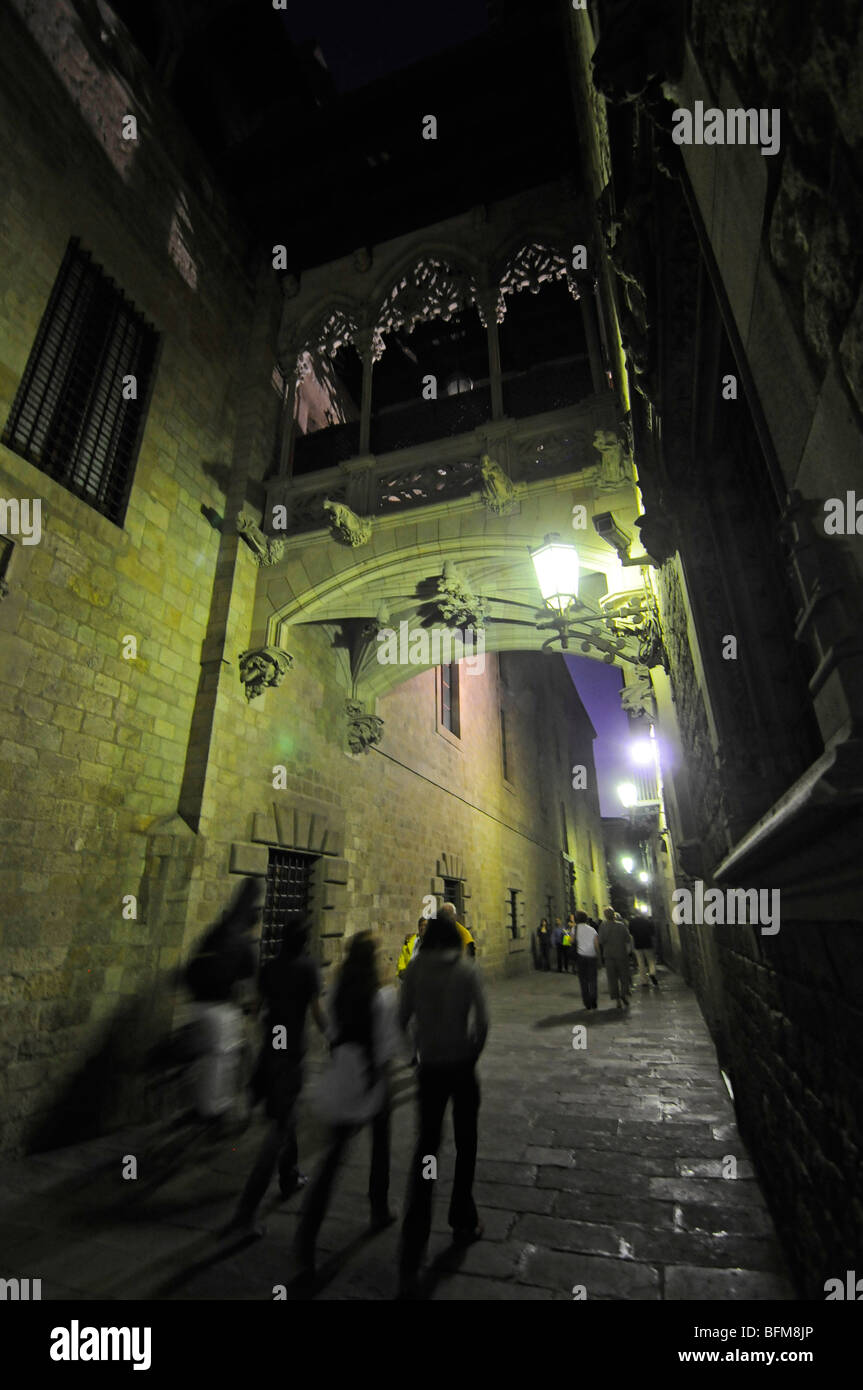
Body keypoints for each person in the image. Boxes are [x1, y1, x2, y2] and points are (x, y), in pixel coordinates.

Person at [295, 932, 398, 1278]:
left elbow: (327, 1025)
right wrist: (386, 1082)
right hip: (369, 1077)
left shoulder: (337, 991)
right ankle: (379, 1207)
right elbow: (385, 1049)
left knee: (333, 1160)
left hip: (342, 1075)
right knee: (381, 1145)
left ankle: (306, 1238)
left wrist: (337, 1045)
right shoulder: (383, 998)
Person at [398, 911, 489, 1297]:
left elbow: (400, 1020)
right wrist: (473, 1052)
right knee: (466, 1142)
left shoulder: (416, 972)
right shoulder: (467, 972)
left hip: (431, 1069)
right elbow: (483, 1022)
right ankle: (461, 1215)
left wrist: (413, 1055)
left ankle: (414, 1236)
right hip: (462, 1069)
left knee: (427, 1147)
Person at [224, 921, 326, 1234]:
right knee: (280, 1129)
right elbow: (317, 1011)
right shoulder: (308, 968)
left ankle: (290, 1175)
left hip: (271, 1053)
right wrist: (333, 1037)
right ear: (304, 941)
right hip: (290, 1057)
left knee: (288, 1117)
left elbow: (255, 1010)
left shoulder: (269, 968)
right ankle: (246, 1212)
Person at [184, 876, 263, 1122]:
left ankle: (195, 1102)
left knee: (204, 1057)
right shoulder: (243, 940)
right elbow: (251, 982)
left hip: (196, 1003)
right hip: (219, 1009)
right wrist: (253, 1007)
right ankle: (213, 1113)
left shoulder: (218, 929)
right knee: (224, 1058)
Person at [599, 908, 634, 1010]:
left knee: (612, 979)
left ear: (605, 916)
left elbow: (601, 941)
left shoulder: (603, 926)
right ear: (614, 914)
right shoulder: (621, 926)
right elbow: (627, 939)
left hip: (609, 956)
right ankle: (623, 993)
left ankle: (617, 999)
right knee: (624, 976)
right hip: (621, 954)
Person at [574, 910, 600, 1010]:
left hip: (581, 957)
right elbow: (596, 944)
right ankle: (594, 1001)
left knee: (583, 981)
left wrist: (567, 936)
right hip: (592, 957)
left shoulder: (574, 929)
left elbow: (569, 942)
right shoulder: (592, 929)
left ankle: (587, 1003)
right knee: (593, 980)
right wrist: (599, 957)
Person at [630, 913, 659, 988]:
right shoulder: (647, 921)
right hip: (647, 943)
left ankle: (644, 981)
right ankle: (652, 973)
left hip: (638, 944)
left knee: (641, 963)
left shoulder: (632, 922)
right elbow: (652, 932)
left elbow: (631, 932)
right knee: (651, 961)